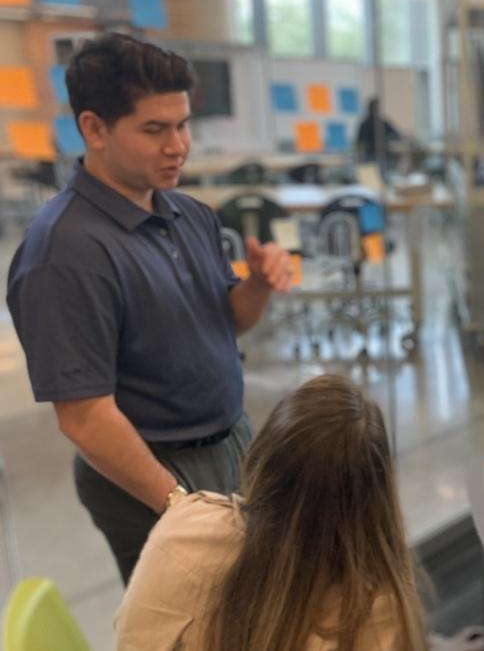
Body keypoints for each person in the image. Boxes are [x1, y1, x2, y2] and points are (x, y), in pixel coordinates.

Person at [5, 34, 291, 584]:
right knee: (194, 627)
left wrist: (257, 285)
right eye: (155, 130)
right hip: (153, 470)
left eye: (183, 125)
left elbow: (226, 322)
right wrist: (178, 504)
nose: (178, 146)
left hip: (230, 439)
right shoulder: (63, 253)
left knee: (255, 606)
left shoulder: (189, 213)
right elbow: (84, 416)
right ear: (94, 128)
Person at [115, 374, 427, 650]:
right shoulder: (382, 608)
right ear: (378, 497)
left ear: (262, 457)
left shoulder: (185, 532)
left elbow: (131, 640)